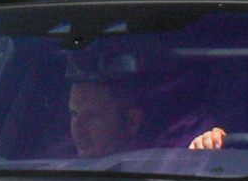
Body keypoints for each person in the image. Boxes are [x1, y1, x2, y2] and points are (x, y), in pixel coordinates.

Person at [62, 48, 227, 158]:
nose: (77, 128)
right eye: (74, 114)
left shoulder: (172, 158)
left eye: (92, 116)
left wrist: (212, 147)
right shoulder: (55, 163)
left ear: (133, 121)